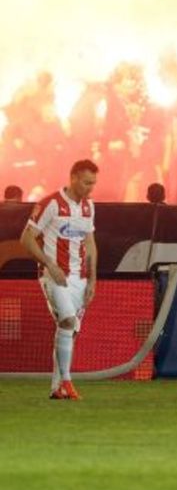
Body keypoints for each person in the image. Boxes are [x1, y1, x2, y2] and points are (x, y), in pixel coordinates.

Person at [18, 160, 99, 400]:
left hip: (80, 279)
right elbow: (26, 238)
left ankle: (57, 388)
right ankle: (67, 382)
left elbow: (91, 244)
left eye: (93, 183)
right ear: (73, 177)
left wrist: (93, 279)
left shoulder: (89, 207)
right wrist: (49, 264)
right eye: (86, 182)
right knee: (67, 321)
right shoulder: (51, 204)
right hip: (54, 277)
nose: (90, 188)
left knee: (69, 331)